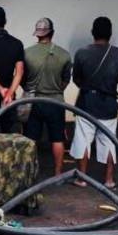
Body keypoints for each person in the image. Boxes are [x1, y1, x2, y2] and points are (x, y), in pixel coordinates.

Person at [69, 17, 118, 189]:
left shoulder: (81, 52)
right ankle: (109, 180)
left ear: (92, 32)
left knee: (83, 140)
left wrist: (89, 88)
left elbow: (77, 79)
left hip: (87, 102)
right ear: (110, 34)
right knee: (109, 141)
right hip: (109, 102)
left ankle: (82, 178)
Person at [23, 18, 72, 176]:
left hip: (33, 102)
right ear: (52, 33)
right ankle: (58, 174)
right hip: (56, 102)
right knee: (57, 139)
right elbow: (66, 80)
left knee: (31, 139)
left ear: (37, 34)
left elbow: (22, 79)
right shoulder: (64, 55)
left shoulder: (27, 53)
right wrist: (56, 89)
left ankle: (30, 173)